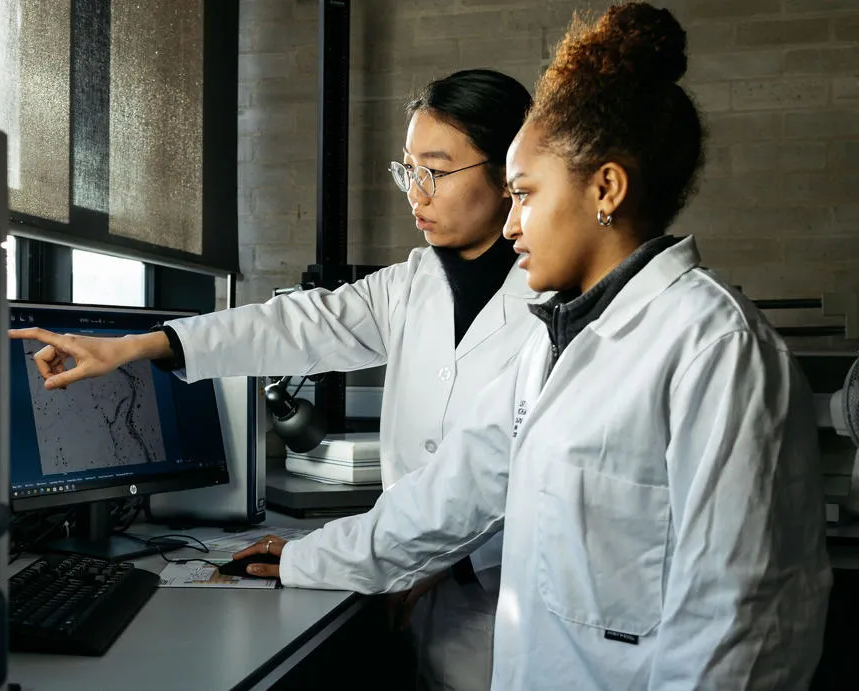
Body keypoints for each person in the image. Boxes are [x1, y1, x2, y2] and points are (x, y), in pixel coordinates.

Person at [230, 3, 832, 688]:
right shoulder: (556, 346)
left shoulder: (717, 350)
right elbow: (452, 493)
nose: (511, 223)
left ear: (605, 187)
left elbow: (741, 637)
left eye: (524, 194)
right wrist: (308, 558)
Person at [10, 69, 540, 691]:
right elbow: (290, 325)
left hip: (499, 598)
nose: (415, 193)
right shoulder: (411, 284)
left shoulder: (551, 304)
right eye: (407, 171)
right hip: (407, 573)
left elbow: (492, 484)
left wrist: (413, 563)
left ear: (507, 173)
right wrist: (137, 345)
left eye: (436, 170)